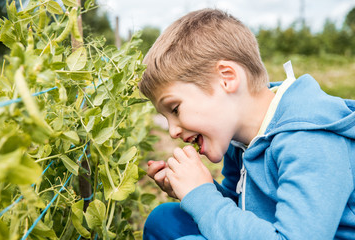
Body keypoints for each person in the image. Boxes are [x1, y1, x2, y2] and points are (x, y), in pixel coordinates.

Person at [138, 8, 355, 240]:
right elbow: (242, 208)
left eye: (175, 109)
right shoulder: (239, 139)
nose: (173, 131)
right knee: (165, 220)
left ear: (227, 78)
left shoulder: (310, 140)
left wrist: (201, 195)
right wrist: (194, 188)